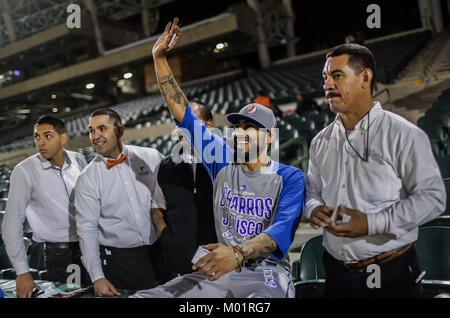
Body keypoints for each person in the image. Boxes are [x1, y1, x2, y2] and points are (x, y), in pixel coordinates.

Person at [131, 17, 305, 298]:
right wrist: (159, 58)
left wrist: (238, 252)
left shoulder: (289, 177)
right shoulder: (221, 159)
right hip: (223, 266)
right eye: (238, 127)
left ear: (270, 136)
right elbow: (182, 111)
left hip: (269, 270)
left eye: (252, 128)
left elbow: (278, 233)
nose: (241, 133)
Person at [305, 43, 446, 298]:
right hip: (336, 272)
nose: (327, 86)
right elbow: (312, 190)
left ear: (365, 78)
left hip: (391, 270)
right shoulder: (320, 141)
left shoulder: (404, 134)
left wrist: (371, 223)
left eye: (337, 76)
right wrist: (313, 208)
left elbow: (433, 198)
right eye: (325, 77)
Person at [74, 108, 166, 296]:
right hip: (120, 261)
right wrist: (97, 277)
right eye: (91, 131)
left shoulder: (151, 156)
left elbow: (164, 203)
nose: (95, 136)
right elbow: (86, 229)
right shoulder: (87, 178)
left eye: (102, 129)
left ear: (120, 131)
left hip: (161, 251)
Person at [2, 115, 89, 298]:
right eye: (37, 137)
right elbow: (11, 224)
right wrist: (22, 272)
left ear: (63, 138)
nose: (41, 142)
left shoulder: (79, 160)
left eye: (48, 136)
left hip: (92, 245)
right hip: (61, 253)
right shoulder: (24, 170)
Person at [151, 100, 217, 277]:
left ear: (208, 125)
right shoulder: (165, 166)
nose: (182, 127)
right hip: (180, 263)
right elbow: (157, 209)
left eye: (189, 121)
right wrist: (167, 237)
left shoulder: (226, 160)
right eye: (178, 122)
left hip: (221, 260)